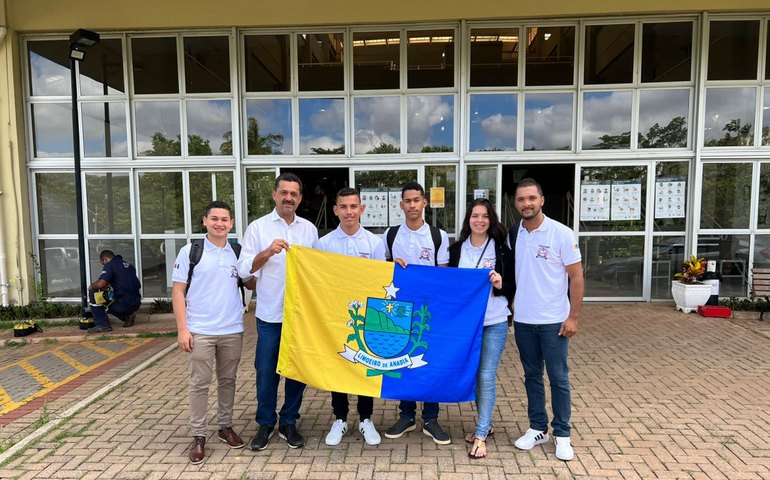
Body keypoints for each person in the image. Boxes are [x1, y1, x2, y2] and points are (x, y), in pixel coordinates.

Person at [239, 173, 319, 451]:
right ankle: (265, 423)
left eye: (294, 194)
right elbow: (243, 268)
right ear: (274, 195)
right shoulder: (258, 227)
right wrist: (267, 253)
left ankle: (288, 421)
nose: (288, 198)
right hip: (270, 315)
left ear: (300, 198)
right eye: (284, 192)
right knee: (266, 372)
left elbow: (318, 271)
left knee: (297, 371)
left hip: (301, 316)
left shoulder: (309, 229)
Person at [508, 178, 584, 462]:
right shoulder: (515, 234)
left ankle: (562, 434)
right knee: (531, 377)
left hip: (554, 321)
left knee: (558, 378)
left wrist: (573, 316)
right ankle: (538, 427)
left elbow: (576, 277)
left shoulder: (561, 234)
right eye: (520, 199)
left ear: (541, 200)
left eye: (531, 198)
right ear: (516, 204)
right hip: (525, 321)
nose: (526, 204)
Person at [171, 200, 247, 465]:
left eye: (225, 219)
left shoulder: (237, 251)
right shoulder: (190, 251)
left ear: (231, 224)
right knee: (199, 384)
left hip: (232, 329)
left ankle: (225, 427)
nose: (219, 224)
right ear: (204, 221)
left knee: (228, 381)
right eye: (214, 218)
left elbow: (251, 278)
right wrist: (182, 329)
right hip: (200, 330)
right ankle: (199, 435)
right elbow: (178, 292)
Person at [314, 187, 385, 446]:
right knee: (339, 366)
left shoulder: (375, 243)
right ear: (335, 210)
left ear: (362, 209)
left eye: (353, 206)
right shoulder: (324, 244)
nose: (349, 212)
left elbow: (380, 281)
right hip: (334, 316)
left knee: (365, 365)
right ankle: (340, 418)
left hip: (366, 316)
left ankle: (366, 419)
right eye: (343, 207)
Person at [382, 182, 452, 445]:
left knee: (429, 361)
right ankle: (407, 415)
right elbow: (383, 270)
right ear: (401, 205)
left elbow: (443, 275)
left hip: (429, 311)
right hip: (400, 311)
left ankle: (431, 418)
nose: (412, 205)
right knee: (403, 360)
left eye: (416, 200)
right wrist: (391, 265)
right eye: (407, 201)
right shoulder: (390, 235)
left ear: (424, 202)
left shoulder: (438, 236)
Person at [447, 198, 515, 459]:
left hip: (493, 321)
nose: (479, 220)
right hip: (464, 325)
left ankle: (481, 432)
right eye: (475, 216)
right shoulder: (455, 251)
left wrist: (500, 283)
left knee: (486, 375)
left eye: (485, 216)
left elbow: (512, 287)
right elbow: (445, 286)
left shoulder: (501, 251)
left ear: (491, 220)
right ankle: (486, 422)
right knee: (472, 374)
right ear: (468, 220)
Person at [86, 250, 141, 334]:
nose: (104, 266)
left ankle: (102, 325)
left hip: (124, 303)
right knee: (109, 298)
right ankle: (126, 317)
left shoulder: (110, 265)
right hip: (136, 302)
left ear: (104, 259)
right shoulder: (128, 265)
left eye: (103, 264)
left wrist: (91, 286)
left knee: (94, 292)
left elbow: (101, 284)